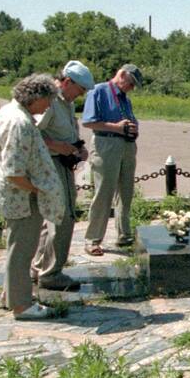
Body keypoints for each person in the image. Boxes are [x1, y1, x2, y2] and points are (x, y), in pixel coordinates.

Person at [0, 74, 65, 320]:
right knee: (22, 249)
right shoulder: (18, 122)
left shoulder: (8, 112)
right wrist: (37, 189)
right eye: (48, 100)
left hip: (15, 194)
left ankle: (10, 295)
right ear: (36, 98)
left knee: (17, 247)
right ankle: (21, 305)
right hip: (19, 197)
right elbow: (13, 171)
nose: (49, 106)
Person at [30, 60, 94, 291]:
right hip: (52, 164)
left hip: (62, 162)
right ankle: (51, 274)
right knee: (63, 218)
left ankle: (39, 267)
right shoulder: (49, 102)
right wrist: (59, 146)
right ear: (67, 82)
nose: (81, 95)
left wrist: (77, 147)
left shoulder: (64, 102)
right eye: (80, 89)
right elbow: (31, 134)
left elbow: (63, 132)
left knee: (51, 221)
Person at [80, 63, 143, 255]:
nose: (131, 88)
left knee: (126, 192)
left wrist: (132, 130)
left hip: (126, 146)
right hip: (106, 145)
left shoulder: (126, 99)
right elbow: (88, 121)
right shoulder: (98, 91)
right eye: (131, 84)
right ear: (122, 75)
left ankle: (124, 234)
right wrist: (117, 127)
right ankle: (93, 239)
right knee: (104, 193)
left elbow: (128, 121)